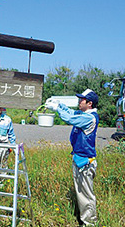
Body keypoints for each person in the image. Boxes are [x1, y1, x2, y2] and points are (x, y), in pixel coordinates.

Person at [46, 89, 99, 226]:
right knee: (81, 194)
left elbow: (70, 118)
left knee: (86, 195)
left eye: (82, 99)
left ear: (90, 103)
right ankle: (85, 220)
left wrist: (57, 109)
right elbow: (70, 112)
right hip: (79, 160)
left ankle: (90, 223)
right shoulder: (83, 113)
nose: (79, 101)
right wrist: (60, 105)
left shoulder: (89, 117)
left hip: (85, 163)